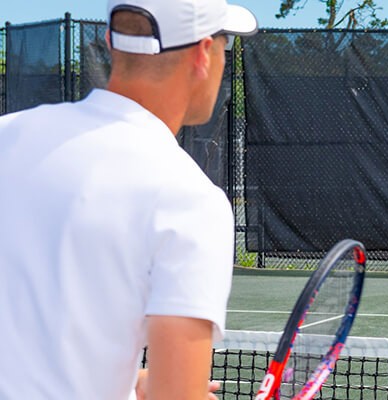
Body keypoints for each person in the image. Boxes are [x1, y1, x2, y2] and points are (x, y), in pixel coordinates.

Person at [0, 0, 257, 399]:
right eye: (225, 46)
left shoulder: (7, 136)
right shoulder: (192, 201)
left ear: (111, 41)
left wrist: (129, 382)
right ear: (204, 53)